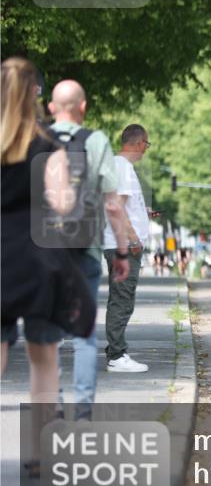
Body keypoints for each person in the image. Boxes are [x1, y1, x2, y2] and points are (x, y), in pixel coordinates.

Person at [2, 57, 95, 472]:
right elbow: (62, 203)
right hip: (38, 259)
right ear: (35, 95)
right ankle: (39, 453)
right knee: (43, 356)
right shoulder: (48, 144)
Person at [48, 79, 131, 419]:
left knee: (48, 333)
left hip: (42, 250)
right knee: (84, 333)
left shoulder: (34, 139)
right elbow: (113, 204)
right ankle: (83, 412)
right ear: (83, 107)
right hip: (85, 248)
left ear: (51, 108)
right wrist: (122, 252)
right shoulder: (96, 142)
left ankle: (53, 406)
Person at [102, 123, 153, 373]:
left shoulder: (118, 166)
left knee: (120, 298)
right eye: (146, 144)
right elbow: (116, 206)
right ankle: (117, 355)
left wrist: (142, 212)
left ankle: (116, 352)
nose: (146, 149)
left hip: (117, 242)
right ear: (139, 143)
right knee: (122, 300)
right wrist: (132, 239)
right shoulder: (122, 167)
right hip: (121, 245)